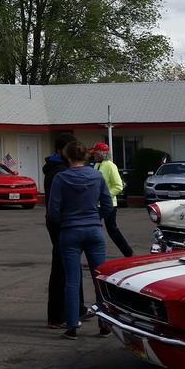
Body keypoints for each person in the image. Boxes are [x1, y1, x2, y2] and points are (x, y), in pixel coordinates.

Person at [47, 139, 112, 340]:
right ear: (86, 156)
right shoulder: (97, 175)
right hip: (93, 230)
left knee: (72, 280)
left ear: (66, 156)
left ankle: (73, 324)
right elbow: (108, 204)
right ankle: (104, 324)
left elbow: (53, 211)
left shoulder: (61, 178)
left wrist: (65, 222)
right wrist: (95, 218)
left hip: (70, 231)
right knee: (99, 279)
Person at [42, 132, 84, 329]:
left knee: (72, 266)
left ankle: (78, 307)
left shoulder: (63, 170)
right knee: (60, 267)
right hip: (61, 224)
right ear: (61, 151)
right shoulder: (57, 172)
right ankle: (56, 315)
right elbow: (55, 205)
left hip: (69, 223)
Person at [90, 142, 133, 257]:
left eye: (95, 153)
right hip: (97, 204)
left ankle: (128, 252)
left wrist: (105, 196)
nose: (93, 155)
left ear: (100, 154)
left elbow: (118, 186)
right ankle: (126, 252)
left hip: (108, 204)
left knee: (111, 230)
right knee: (94, 228)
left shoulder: (110, 165)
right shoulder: (96, 165)